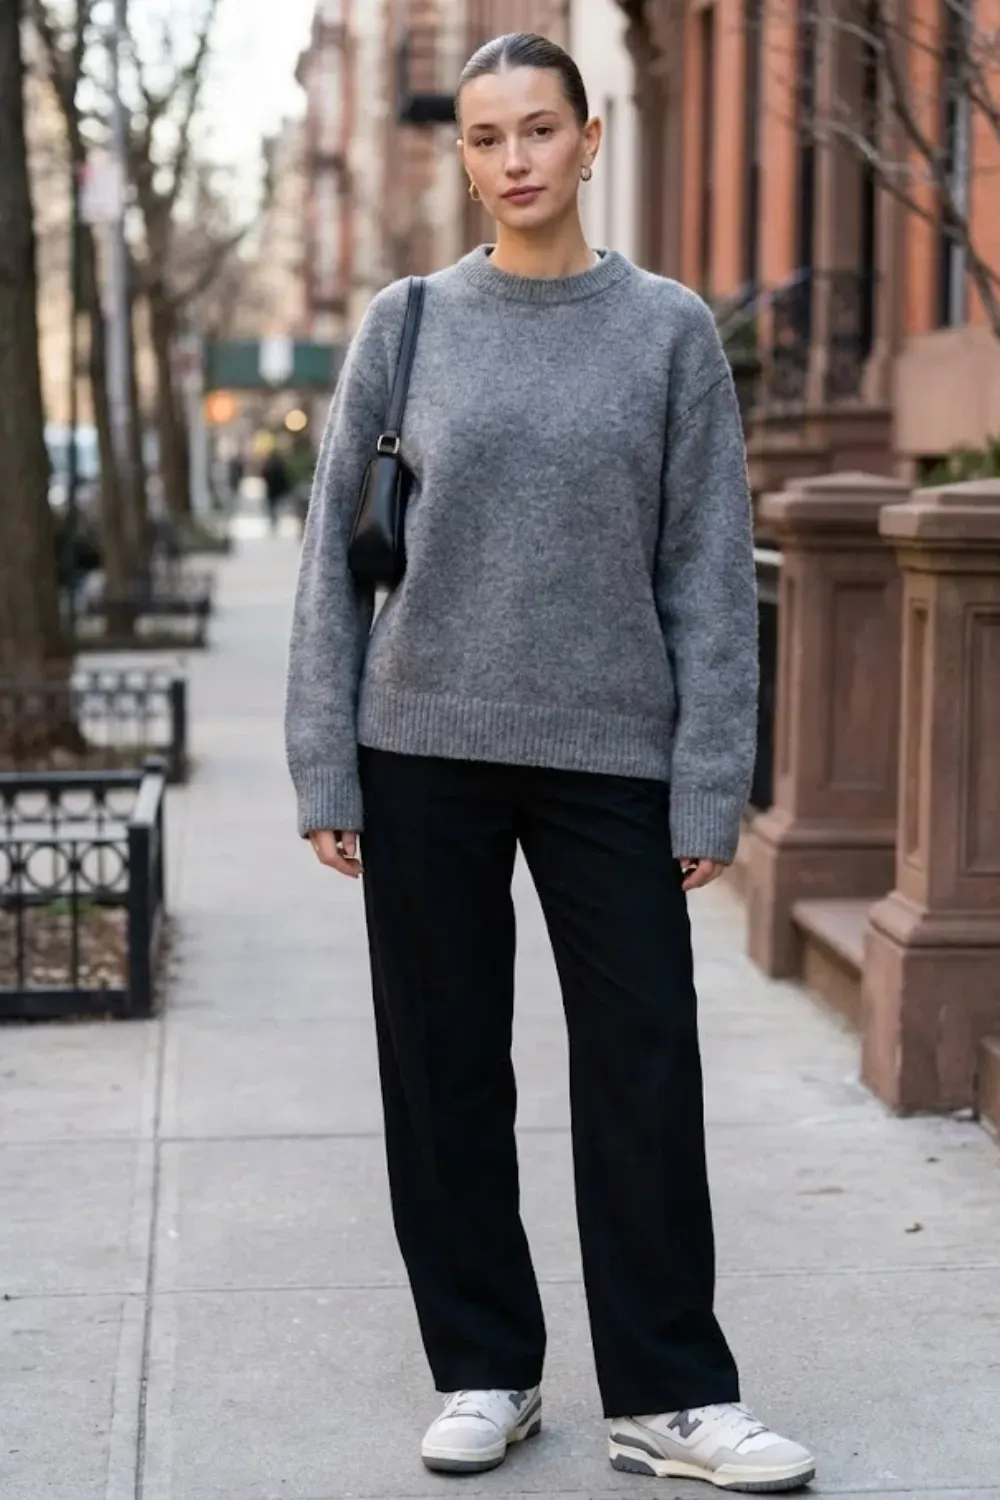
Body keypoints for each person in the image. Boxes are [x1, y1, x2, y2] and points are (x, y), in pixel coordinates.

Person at [285, 31, 816, 1493]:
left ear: (590, 139)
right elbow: (338, 561)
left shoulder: (667, 333)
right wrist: (325, 762)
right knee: (446, 1069)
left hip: (611, 756)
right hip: (424, 744)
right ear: (462, 159)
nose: (512, 159)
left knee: (644, 1066)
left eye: (537, 129)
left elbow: (709, 572)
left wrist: (711, 777)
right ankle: (485, 1367)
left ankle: (671, 1393)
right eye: (483, 137)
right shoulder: (408, 325)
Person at [261, 445, 291, 532]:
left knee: (272, 505)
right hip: (275, 489)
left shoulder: (270, 464)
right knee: (275, 505)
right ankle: (274, 519)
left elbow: (264, 475)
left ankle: (273, 519)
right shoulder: (279, 463)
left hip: (271, 489)